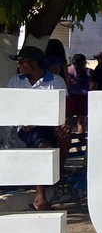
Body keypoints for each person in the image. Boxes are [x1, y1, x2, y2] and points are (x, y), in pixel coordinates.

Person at [7, 46, 70, 211]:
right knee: (42, 145)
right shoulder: (16, 81)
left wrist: (65, 122)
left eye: (22, 62)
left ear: (34, 63)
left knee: (64, 135)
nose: (19, 65)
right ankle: (40, 197)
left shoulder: (56, 81)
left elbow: (64, 107)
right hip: (27, 128)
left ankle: (58, 172)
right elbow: (10, 107)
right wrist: (23, 120)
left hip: (50, 125)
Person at [66, 53, 92, 134]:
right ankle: (79, 146)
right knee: (81, 123)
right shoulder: (90, 72)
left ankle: (67, 142)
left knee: (68, 122)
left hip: (71, 98)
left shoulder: (68, 70)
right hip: (83, 98)